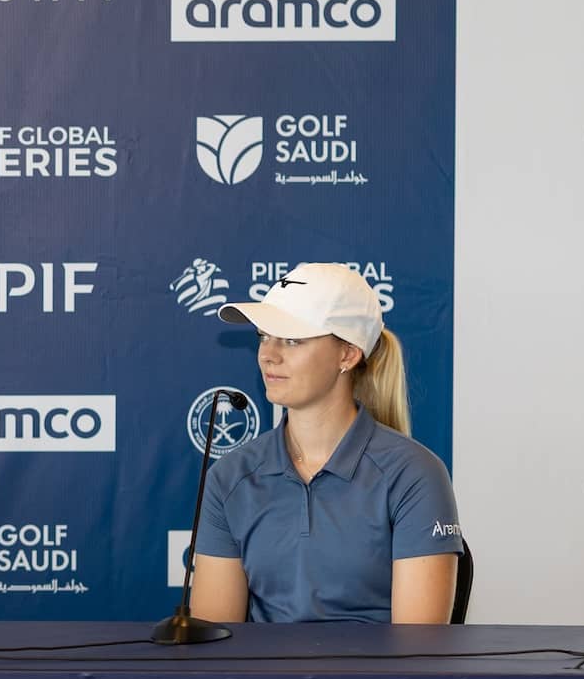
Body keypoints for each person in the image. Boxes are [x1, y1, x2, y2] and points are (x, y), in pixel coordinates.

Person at [193, 264, 463, 625]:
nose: (268, 354)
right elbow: (216, 639)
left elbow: (418, 647)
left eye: (292, 340)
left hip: (379, 665)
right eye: (263, 336)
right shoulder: (230, 476)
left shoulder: (414, 474)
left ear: (347, 355)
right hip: (261, 665)